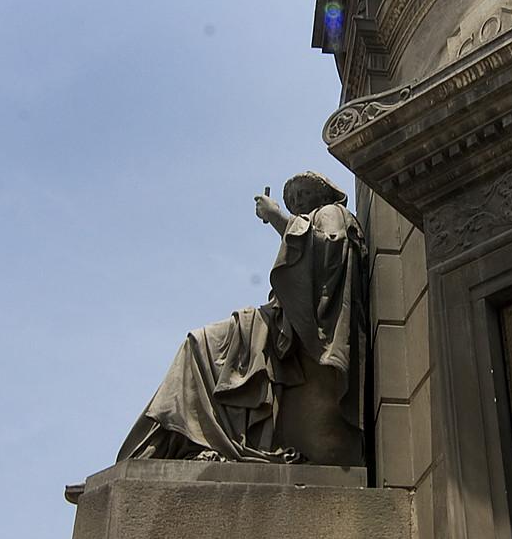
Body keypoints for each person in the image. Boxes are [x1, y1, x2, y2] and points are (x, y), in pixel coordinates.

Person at [117, 171, 369, 467]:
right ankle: (169, 446)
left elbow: (329, 248)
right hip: (280, 323)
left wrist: (276, 217)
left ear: (324, 193)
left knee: (201, 346)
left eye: (303, 193)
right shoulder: (310, 221)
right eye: (292, 199)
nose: (298, 201)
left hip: (293, 328)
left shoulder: (331, 213)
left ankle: (172, 446)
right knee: (201, 346)